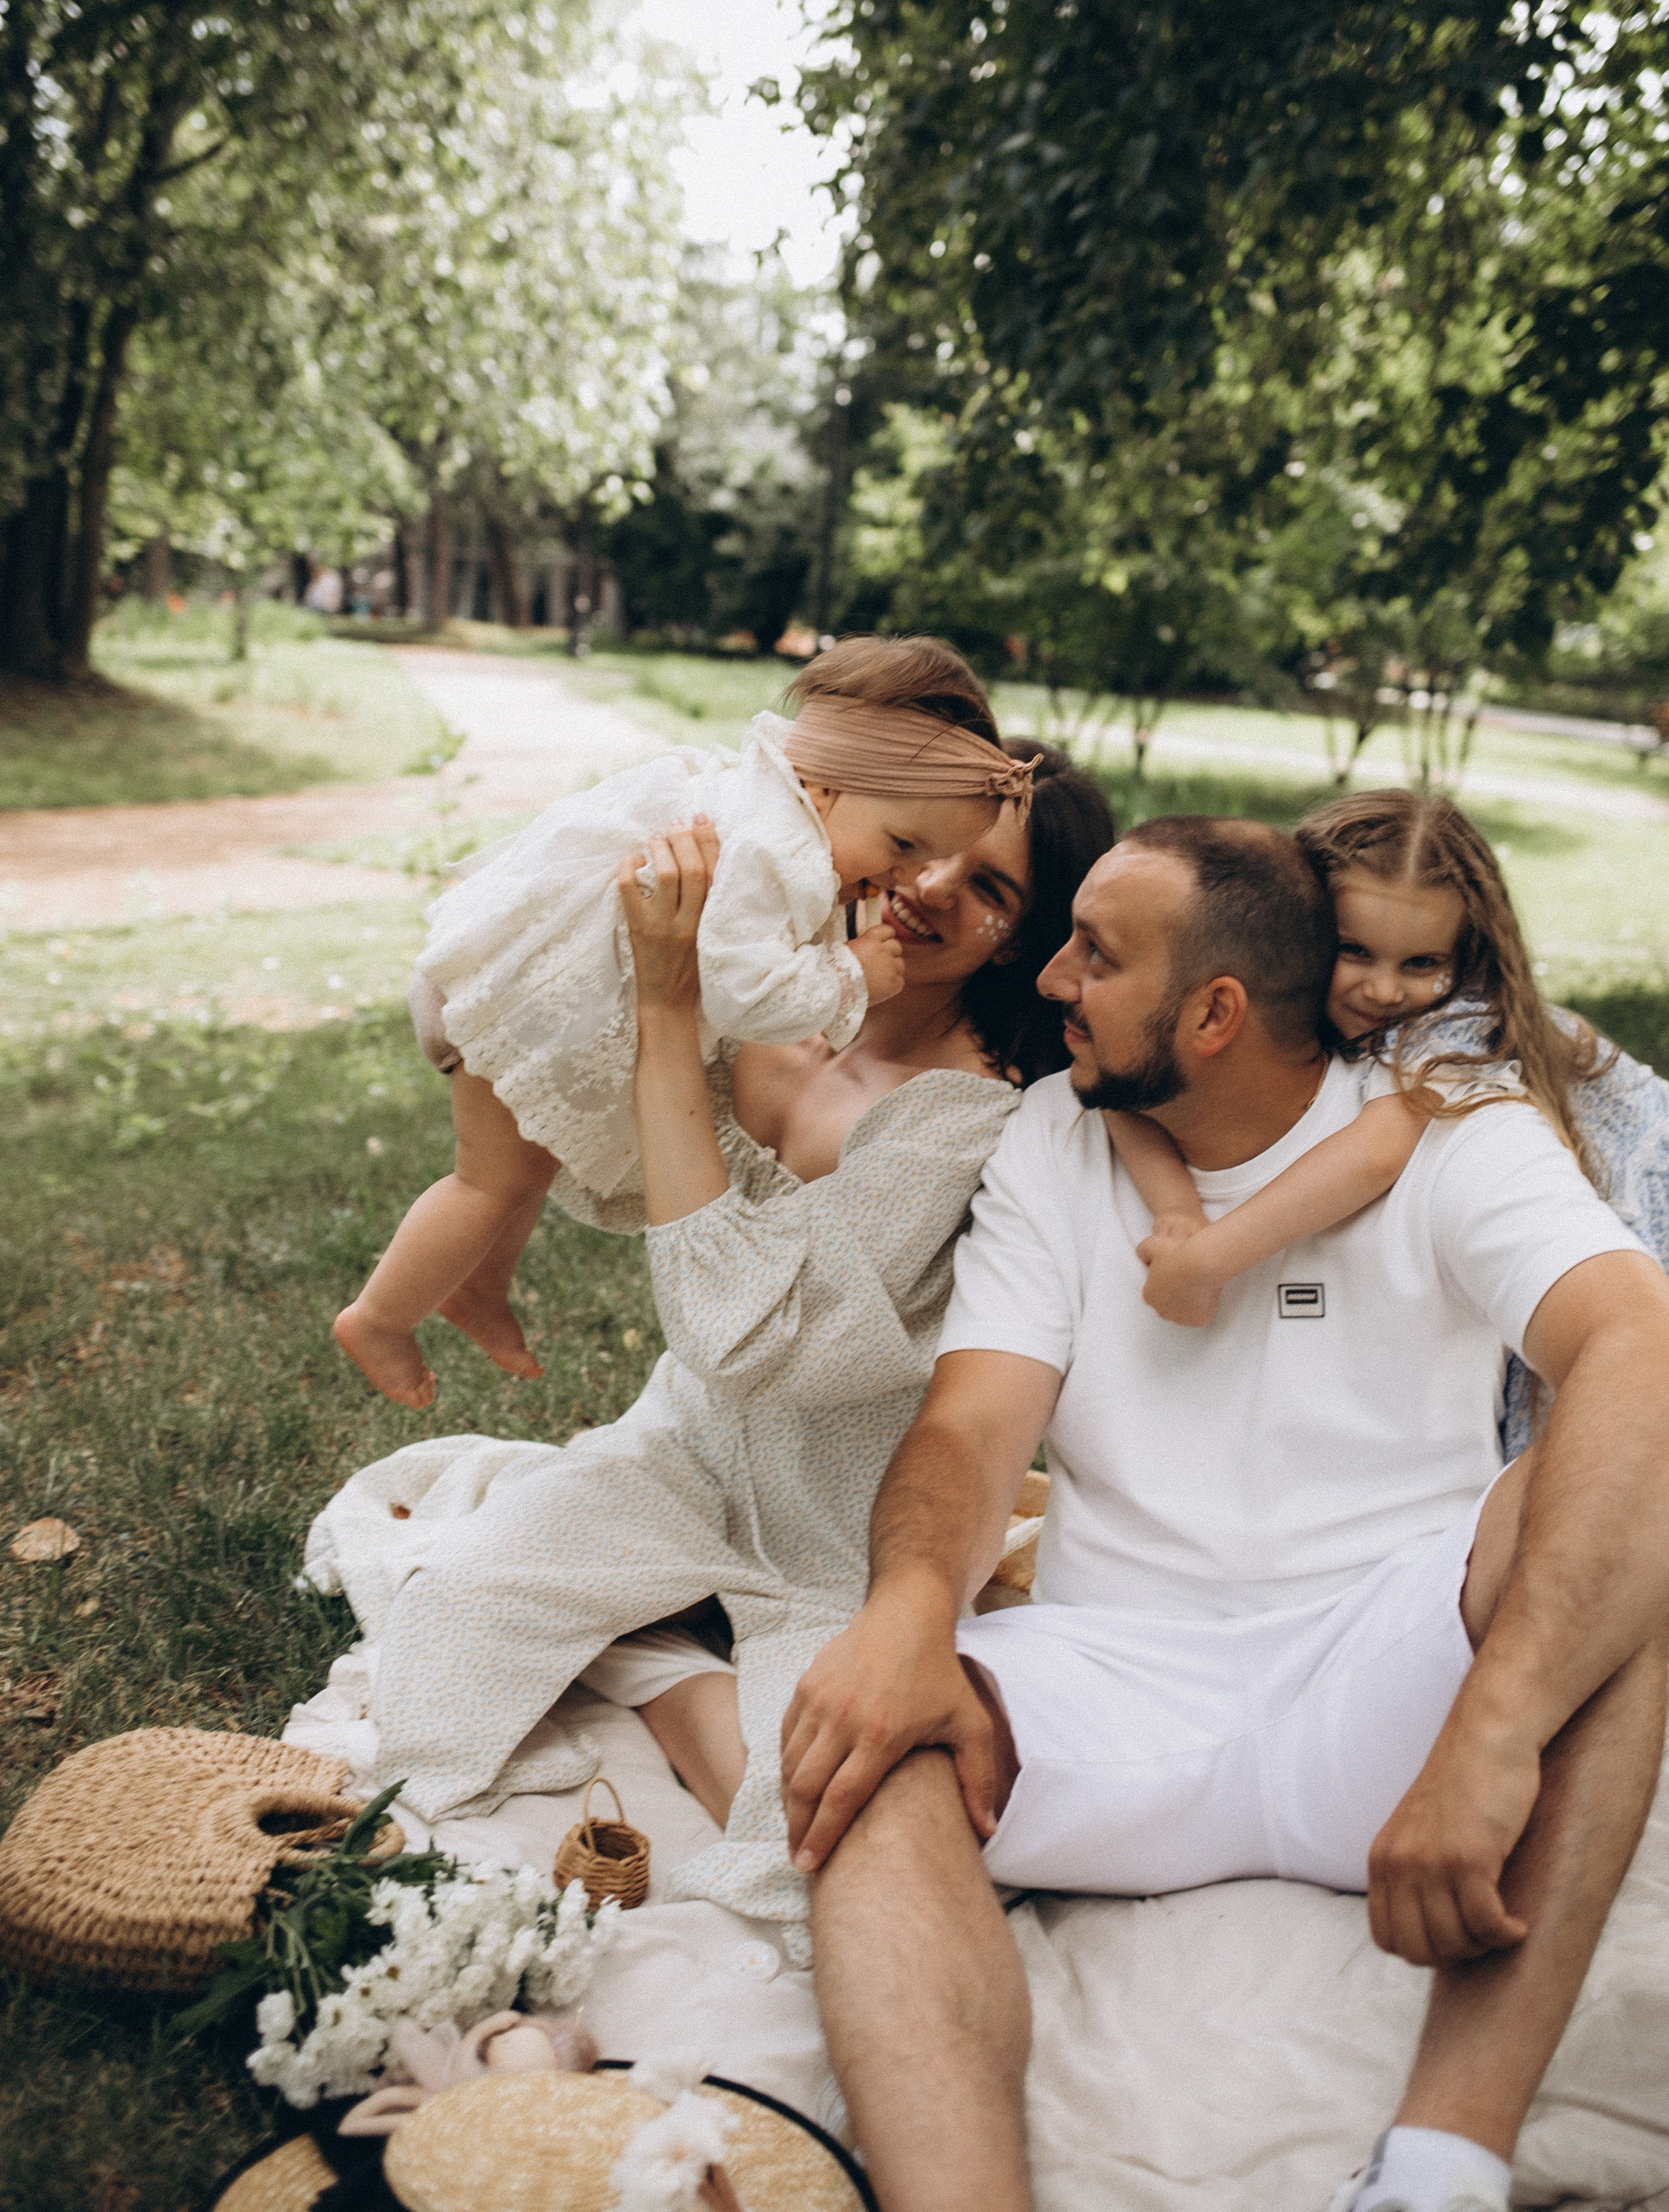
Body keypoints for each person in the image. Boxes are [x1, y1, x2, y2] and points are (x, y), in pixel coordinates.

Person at [777, 814, 1669, 2212]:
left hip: (1392, 1665)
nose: (1050, 980)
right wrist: (909, 1614)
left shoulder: (1454, 1129)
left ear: (1212, 1012)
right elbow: (973, 1428)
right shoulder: (1054, 1138)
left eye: (1095, 957)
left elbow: (1660, 1368)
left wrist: (1493, 1727)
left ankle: (1433, 2173)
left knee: (1594, 1558)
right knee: (871, 1747)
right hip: (1120, 1671)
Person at [309, 740, 1113, 1949]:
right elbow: (551, 1047)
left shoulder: (975, 1112)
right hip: (677, 1451)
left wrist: (669, 1007)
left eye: (992, 888)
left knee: (810, 1829)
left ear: (1021, 937)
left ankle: (662, 1665)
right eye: (928, 845)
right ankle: (658, 1635)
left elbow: (744, 1338)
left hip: (837, 1527)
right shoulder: (762, 991)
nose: (938, 887)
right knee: (447, 1634)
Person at [334, 637, 1039, 1408]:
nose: (907, 877)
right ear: (828, 785)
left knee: (521, 1172)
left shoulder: (764, 788)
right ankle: (379, 1319)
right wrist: (849, 974)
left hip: (518, 992)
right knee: (486, 1184)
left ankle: (476, 1291)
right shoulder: (783, 855)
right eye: (903, 846)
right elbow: (744, 994)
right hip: (514, 1012)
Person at [1113, 790, 1669, 1364]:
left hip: (1658, 1260)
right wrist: (1178, 1211)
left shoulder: (1461, 1021)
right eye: (1354, 951)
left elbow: (1378, 1152)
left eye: (1421, 963)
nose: (1383, 989)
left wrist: (1207, 1262)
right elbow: (1118, 1095)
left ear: (1466, 958)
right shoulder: (1277, 999)